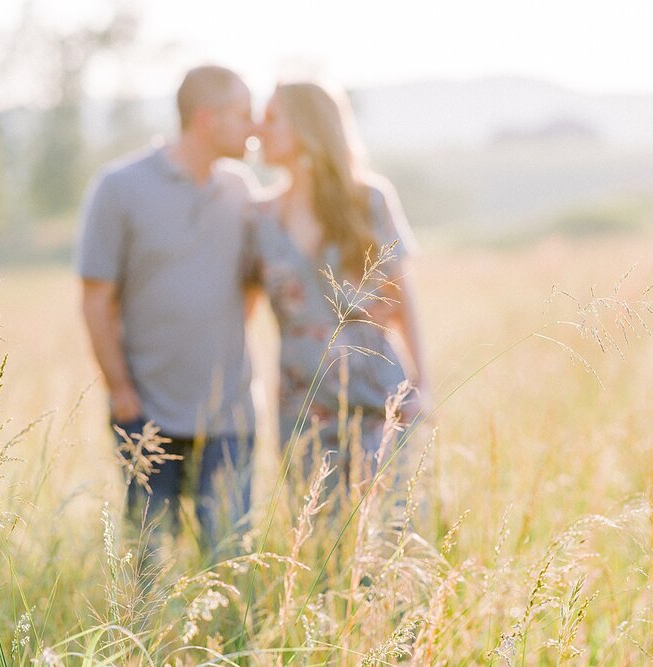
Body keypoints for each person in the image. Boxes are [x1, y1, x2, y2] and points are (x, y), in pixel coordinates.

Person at [76, 65, 257, 551]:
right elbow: (96, 299)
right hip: (147, 410)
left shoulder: (241, 191)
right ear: (206, 119)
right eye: (243, 115)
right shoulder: (119, 187)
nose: (253, 126)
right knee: (150, 564)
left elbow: (253, 286)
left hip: (229, 418)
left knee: (231, 559)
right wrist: (119, 389)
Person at [248, 80, 427, 495]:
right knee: (315, 546)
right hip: (301, 406)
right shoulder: (259, 218)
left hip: (378, 395)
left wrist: (424, 386)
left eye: (272, 118)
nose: (259, 128)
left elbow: (404, 298)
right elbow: (241, 310)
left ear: (305, 126)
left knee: (386, 534)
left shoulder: (368, 200)